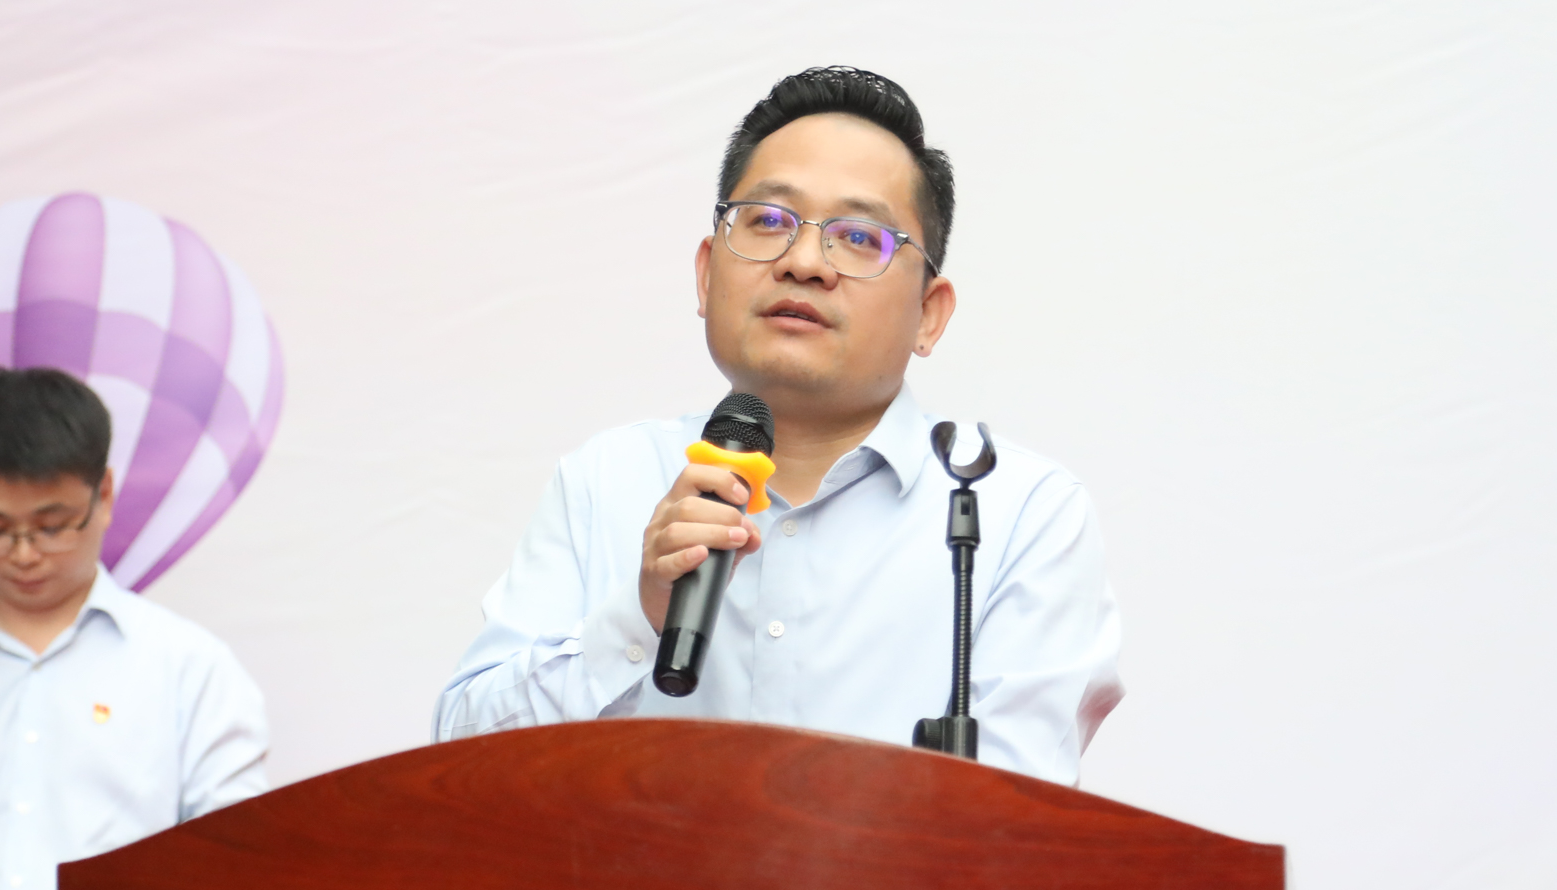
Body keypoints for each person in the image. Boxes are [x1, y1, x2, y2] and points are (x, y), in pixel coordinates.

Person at [435, 66, 1122, 784]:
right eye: (768, 222)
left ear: (929, 313)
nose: (802, 263)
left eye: (858, 236)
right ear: (707, 275)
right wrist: (639, 617)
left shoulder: (1018, 511)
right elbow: (460, 765)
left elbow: (1022, 819)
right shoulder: (607, 479)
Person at [0, 367, 269, 890]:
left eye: (51, 526)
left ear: (102, 494)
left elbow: (237, 877)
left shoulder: (189, 669)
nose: (23, 555)